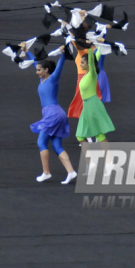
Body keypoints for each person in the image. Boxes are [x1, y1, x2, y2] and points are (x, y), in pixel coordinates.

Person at [20, 44, 78, 184]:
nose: (36, 72)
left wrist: (63, 54)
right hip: (55, 114)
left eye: (39, 70)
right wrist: (26, 51)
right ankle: (71, 172)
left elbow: (59, 68)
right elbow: (35, 63)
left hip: (53, 115)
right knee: (57, 145)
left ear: (46, 70)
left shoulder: (52, 79)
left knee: (41, 142)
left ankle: (46, 173)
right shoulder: (43, 78)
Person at [75, 47, 115, 148]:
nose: (81, 64)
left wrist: (89, 48)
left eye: (83, 62)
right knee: (80, 135)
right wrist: (100, 45)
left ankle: (109, 162)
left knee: (99, 134)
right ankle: (91, 162)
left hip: (93, 105)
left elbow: (93, 60)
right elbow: (96, 56)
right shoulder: (86, 74)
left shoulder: (92, 73)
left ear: (89, 64)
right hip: (86, 106)